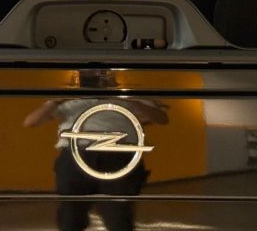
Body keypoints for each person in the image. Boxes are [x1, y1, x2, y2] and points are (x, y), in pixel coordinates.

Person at [24, 71, 168, 231]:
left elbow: (161, 118)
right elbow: (30, 122)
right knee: (71, 217)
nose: (96, 77)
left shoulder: (126, 95)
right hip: (76, 157)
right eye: (89, 74)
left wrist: (127, 97)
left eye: (101, 73)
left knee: (118, 217)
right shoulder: (69, 99)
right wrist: (57, 101)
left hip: (118, 158)